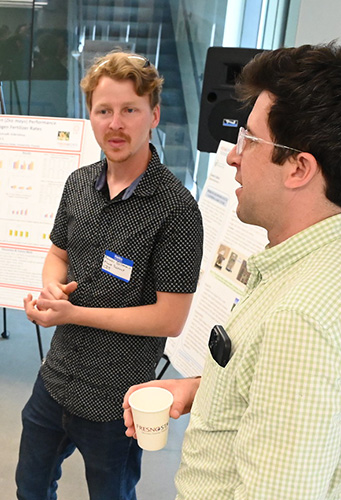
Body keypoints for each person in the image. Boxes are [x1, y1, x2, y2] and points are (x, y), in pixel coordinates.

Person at [122, 43, 341, 500]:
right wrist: (204, 389)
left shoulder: (301, 321)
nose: (233, 155)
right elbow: (285, 392)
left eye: (250, 139)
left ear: (299, 168)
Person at [17, 51, 203, 500]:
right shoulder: (78, 183)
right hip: (55, 380)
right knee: (30, 488)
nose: (115, 124)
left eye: (129, 110)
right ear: (91, 117)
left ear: (153, 115)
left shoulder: (176, 210)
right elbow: (56, 254)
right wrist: (52, 290)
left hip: (118, 400)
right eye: (104, 111)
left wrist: (73, 313)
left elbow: (168, 319)